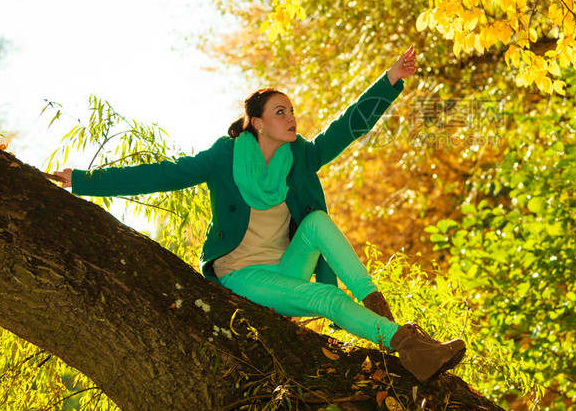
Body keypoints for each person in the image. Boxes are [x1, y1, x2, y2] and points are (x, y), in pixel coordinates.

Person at [53, 47, 465, 383]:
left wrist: (391, 78)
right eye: (280, 112)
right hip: (241, 275)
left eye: (292, 110)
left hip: (286, 271)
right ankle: (410, 345)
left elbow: (346, 128)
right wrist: (86, 180)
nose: (292, 118)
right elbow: (165, 173)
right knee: (326, 297)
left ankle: (374, 300)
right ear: (257, 123)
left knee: (317, 223)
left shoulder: (299, 156)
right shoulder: (225, 158)